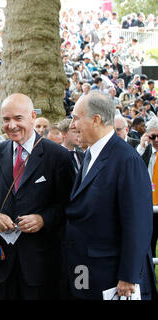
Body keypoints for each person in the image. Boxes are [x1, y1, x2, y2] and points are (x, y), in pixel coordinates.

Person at [0, 93, 75, 300]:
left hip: (43, 265)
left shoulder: (58, 156)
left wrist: (43, 219)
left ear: (32, 116)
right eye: (6, 119)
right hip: (2, 264)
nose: (11, 125)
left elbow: (69, 204)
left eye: (18, 118)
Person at [65, 92, 156, 300]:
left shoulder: (126, 159)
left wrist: (129, 276)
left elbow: (138, 222)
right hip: (87, 268)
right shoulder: (90, 154)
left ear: (95, 120)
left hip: (114, 277)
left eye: (76, 118)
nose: (72, 125)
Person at [136, 117, 158, 270]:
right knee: (148, 245)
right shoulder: (145, 150)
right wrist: (142, 147)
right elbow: (134, 168)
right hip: (148, 206)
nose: (156, 140)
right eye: (153, 136)